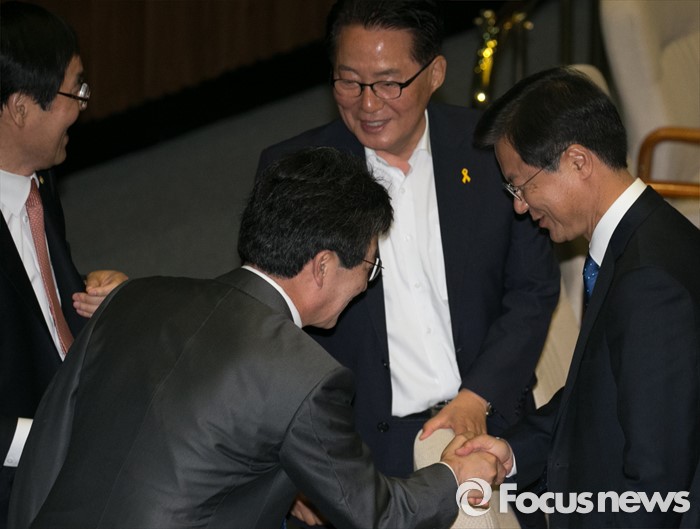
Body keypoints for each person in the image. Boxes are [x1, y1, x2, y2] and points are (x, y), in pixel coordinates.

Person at [8, 146, 507, 529]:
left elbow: (47, 447)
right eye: (369, 267)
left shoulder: (133, 297)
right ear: (323, 266)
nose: (365, 285)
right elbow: (378, 515)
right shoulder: (303, 375)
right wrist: (453, 476)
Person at [257, 0, 559, 483]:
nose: (367, 104)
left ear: (435, 73)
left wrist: (478, 396)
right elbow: (269, 328)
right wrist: (292, 466)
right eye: (349, 81)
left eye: (388, 83)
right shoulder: (293, 174)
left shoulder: (491, 151)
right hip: (361, 448)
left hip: (489, 414)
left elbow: (532, 290)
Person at [460, 66, 700, 528]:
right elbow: (601, 390)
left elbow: (655, 486)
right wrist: (512, 453)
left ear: (577, 161)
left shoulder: (649, 282)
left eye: (521, 185)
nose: (520, 205)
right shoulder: (646, 238)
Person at [0, 3, 127, 526]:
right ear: (21, 108)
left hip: (74, 400)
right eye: (75, 91)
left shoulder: (37, 176)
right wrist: (58, 439)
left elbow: (34, 297)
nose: (83, 106)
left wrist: (96, 296)